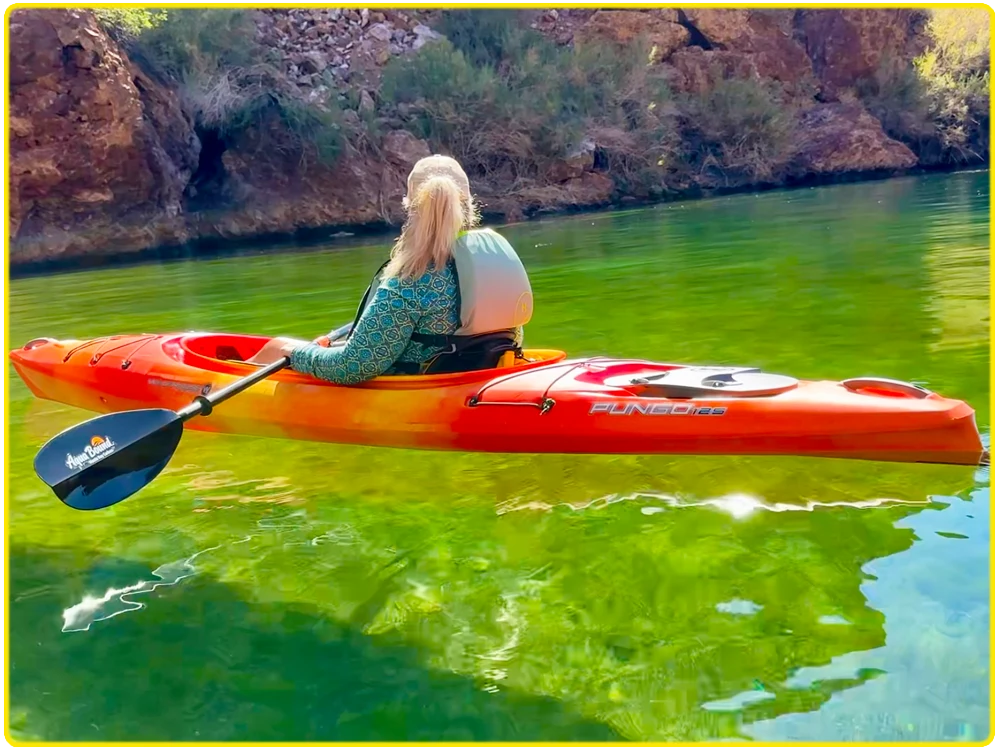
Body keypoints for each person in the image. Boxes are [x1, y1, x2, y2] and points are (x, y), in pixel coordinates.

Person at [247, 154, 533, 384]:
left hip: (422, 388)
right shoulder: (492, 263)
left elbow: (352, 367)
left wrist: (293, 353)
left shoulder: (411, 281)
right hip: (481, 374)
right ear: (469, 205)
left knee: (276, 347)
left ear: (410, 208)